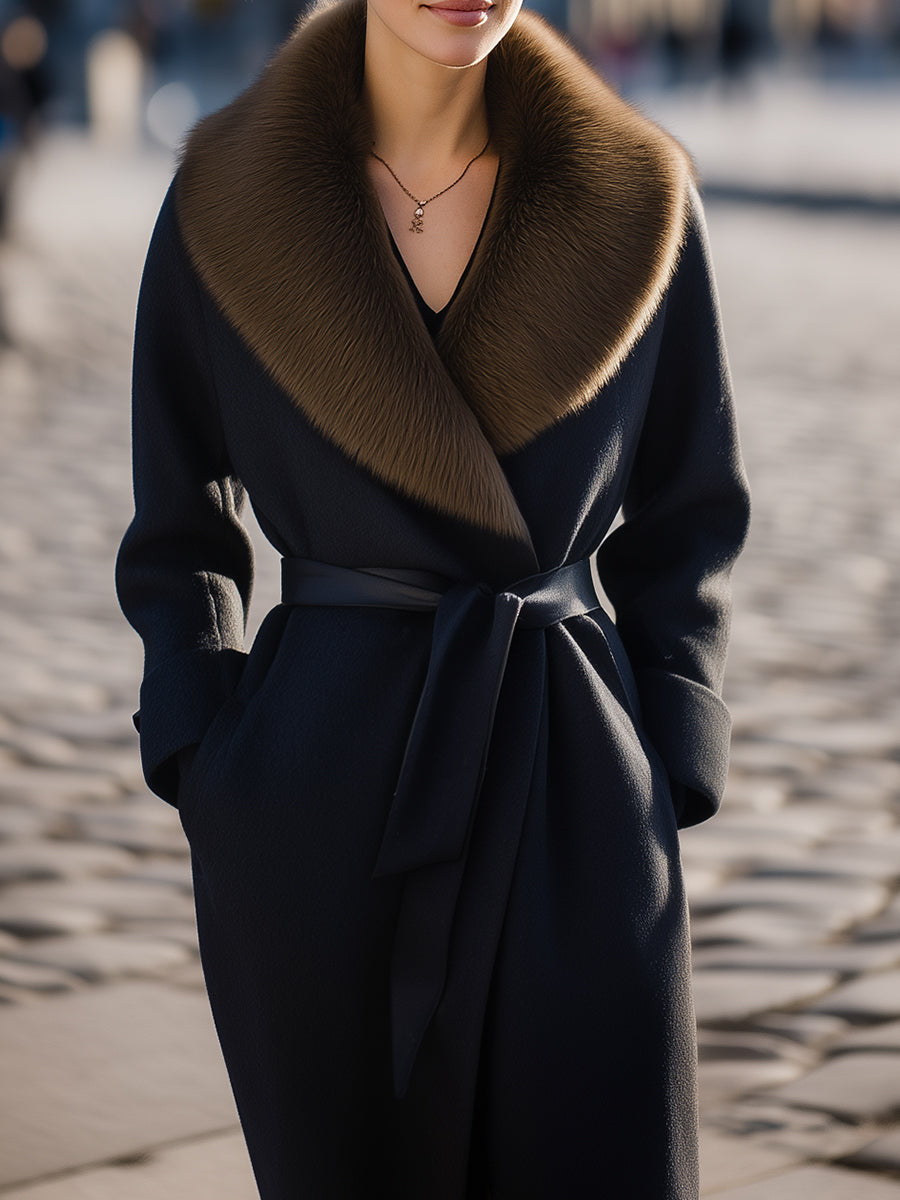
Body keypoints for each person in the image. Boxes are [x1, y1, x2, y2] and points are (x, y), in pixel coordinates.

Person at [115, 0, 750, 1195]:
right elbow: (177, 525)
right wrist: (208, 757)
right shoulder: (224, 202)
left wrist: (667, 754)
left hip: (574, 791)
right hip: (313, 808)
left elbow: (693, 508)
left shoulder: (641, 197)